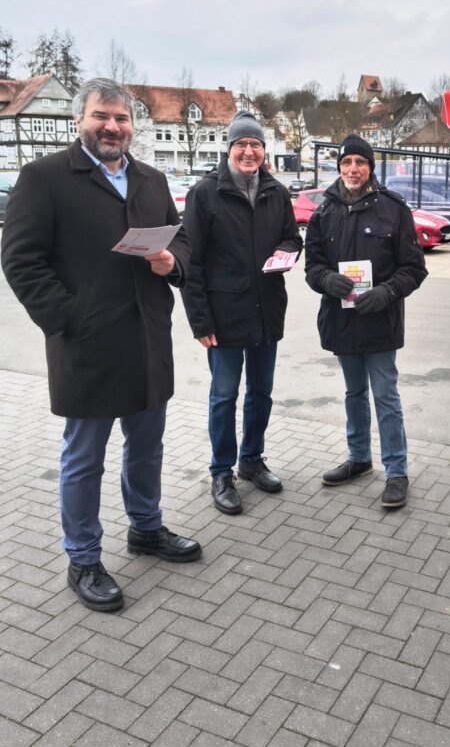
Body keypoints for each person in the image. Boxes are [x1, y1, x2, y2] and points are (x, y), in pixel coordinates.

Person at [1, 78, 201, 614]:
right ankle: (83, 557)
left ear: (133, 126)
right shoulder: (44, 178)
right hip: (87, 344)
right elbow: (21, 260)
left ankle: (146, 528)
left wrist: (172, 261)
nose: (113, 127)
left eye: (122, 119)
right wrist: (68, 319)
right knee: (84, 458)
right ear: (79, 121)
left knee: (148, 446)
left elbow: (178, 235)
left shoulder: (153, 179)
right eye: (102, 117)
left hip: (146, 338)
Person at [181, 110, 302, 514]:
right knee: (223, 396)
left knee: (261, 393)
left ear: (264, 151)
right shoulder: (205, 193)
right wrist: (200, 320)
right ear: (230, 149)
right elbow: (192, 261)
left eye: (255, 145)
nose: (249, 151)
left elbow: (291, 235)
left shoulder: (276, 191)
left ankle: (251, 460)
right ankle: (221, 471)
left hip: (266, 309)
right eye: (241, 145)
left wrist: (288, 250)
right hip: (223, 314)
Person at [305, 135, 427, 509]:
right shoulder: (324, 210)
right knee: (353, 393)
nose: (353, 168)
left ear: (371, 167)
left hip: (380, 321)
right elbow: (312, 267)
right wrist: (326, 280)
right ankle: (359, 458)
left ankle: (396, 471)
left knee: (385, 396)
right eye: (347, 162)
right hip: (341, 322)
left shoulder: (393, 209)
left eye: (360, 161)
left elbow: (414, 269)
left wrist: (387, 292)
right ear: (338, 167)